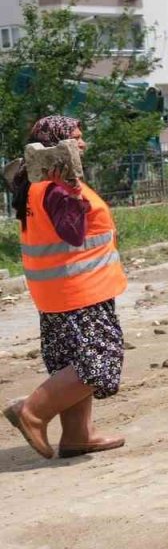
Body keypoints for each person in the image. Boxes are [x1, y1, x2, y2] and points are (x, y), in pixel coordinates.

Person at [3, 116, 128, 459]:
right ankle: (31, 411)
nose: (82, 144)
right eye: (75, 138)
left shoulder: (34, 184)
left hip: (57, 291)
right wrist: (72, 192)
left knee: (71, 361)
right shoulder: (57, 188)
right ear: (56, 144)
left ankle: (77, 434)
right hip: (80, 290)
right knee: (99, 360)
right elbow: (72, 234)